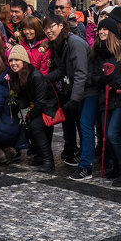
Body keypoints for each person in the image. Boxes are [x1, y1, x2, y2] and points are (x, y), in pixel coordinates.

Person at [43, 15, 92, 175]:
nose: (48, 30)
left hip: (87, 91)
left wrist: (74, 99)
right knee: (77, 125)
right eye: (46, 28)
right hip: (76, 91)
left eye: (52, 26)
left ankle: (86, 166)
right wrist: (43, 79)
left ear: (62, 26)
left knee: (85, 127)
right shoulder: (60, 43)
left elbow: (80, 73)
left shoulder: (74, 42)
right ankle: (81, 159)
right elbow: (63, 69)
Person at [92, 17, 121, 186]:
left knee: (113, 133)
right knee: (106, 135)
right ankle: (118, 166)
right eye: (99, 29)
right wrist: (104, 79)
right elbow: (94, 76)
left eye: (105, 29)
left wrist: (120, 82)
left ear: (112, 32)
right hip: (105, 97)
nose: (101, 32)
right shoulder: (96, 50)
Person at [9, 45, 57, 172]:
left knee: (35, 126)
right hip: (37, 106)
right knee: (31, 126)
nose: (13, 63)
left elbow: (41, 101)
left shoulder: (36, 76)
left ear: (24, 61)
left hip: (48, 106)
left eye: (17, 60)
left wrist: (31, 114)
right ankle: (40, 156)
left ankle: (48, 161)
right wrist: (16, 103)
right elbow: (25, 98)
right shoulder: (18, 75)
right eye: (11, 60)